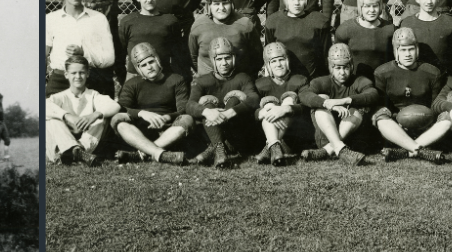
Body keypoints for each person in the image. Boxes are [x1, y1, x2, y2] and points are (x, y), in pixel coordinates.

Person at [373, 28, 448, 163]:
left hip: (425, 123)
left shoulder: (432, 72)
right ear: (396, 51)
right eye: (403, 50)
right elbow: (381, 105)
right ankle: (419, 150)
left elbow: (436, 105)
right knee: (380, 117)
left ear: (417, 50)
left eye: (411, 49)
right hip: (397, 125)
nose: (407, 54)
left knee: (448, 117)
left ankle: (404, 151)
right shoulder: (382, 72)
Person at [112, 43, 192, 165]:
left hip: (168, 129)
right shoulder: (132, 83)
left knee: (187, 119)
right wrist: (142, 113)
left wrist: (167, 117)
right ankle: (159, 154)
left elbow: (183, 109)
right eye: (143, 65)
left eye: (151, 62)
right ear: (138, 69)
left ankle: (142, 153)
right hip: (141, 130)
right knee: (117, 119)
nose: (149, 67)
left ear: (158, 61)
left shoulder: (176, 79)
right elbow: (121, 108)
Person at [188, 37, 262, 168]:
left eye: (227, 58)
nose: (224, 63)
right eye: (219, 59)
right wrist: (207, 112)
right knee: (207, 102)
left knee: (234, 98)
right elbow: (190, 105)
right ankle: (220, 150)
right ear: (213, 61)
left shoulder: (242, 77)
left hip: (237, 134)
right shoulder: (202, 81)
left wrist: (230, 112)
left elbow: (254, 98)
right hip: (210, 132)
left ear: (233, 58)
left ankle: (214, 149)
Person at [297, 44, 374, 165]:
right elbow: (304, 95)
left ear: (351, 66)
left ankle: (328, 150)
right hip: (324, 137)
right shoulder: (320, 82)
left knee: (357, 108)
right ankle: (339, 147)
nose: (342, 72)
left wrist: (343, 101)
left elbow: (372, 94)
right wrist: (327, 103)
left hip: (352, 139)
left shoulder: (359, 81)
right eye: (338, 68)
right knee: (321, 100)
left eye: (345, 68)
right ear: (331, 67)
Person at [45, 0, 115, 98]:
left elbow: (109, 58)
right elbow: (43, 55)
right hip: (60, 78)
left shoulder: (98, 18)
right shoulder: (51, 19)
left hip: (88, 77)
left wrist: (84, 53)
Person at [45, 54, 120, 167]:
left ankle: (78, 152)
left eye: (82, 72)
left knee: (100, 119)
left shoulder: (93, 95)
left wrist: (95, 115)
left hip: (86, 146)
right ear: (66, 74)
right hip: (61, 144)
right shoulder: (59, 97)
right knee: (51, 119)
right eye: (73, 73)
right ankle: (73, 152)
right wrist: (67, 116)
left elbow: (114, 105)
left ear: (88, 74)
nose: (78, 76)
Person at [118, 0, 188, 83]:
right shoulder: (128, 22)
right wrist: (123, 79)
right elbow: (120, 54)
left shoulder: (170, 21)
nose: (149, 0)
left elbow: (178, 54)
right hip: (136, 77)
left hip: (163, 76)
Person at [188, 0, 262, 77]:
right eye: (216, 4)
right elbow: (192, 57)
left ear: (232, 4)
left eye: (225, 3)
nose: (221, 8)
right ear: (209, 5)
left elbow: (257, 57)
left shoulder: (244, 24)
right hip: (209, 83)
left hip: (238, 82)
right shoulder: (198, 26)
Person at [264, 0, 333, 78]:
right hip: (285, 80)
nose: (296, 3)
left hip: (312, 80)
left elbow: (326, 55)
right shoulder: (274, 22)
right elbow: (268, 55)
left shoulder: (318, 21)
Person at [254, 42, 309, 166]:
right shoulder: (260, 84)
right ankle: (274, 147)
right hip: (267, 131)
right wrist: (264, 111)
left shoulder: (300, 80)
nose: (278, 64)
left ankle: (270, 147)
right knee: (269, 105)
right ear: (268, 65)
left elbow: (306, 106)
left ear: (287, 61)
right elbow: (252, 110)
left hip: (292, 136)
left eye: (281, 60)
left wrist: (286, 109)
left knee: (289, 100)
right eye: (273, 61)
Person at [397, 0, 452, 75]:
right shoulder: (407, 24)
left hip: (443, 80)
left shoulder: (449, 23)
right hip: (415, 79)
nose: (429, 2)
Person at [333, 0, 396, 80]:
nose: (371, 10)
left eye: (375, 6)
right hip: (356, 86)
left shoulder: (390, 29)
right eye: (367, 6)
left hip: (382, 85)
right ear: (360, 7)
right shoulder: (345, 30)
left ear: (380, 6)